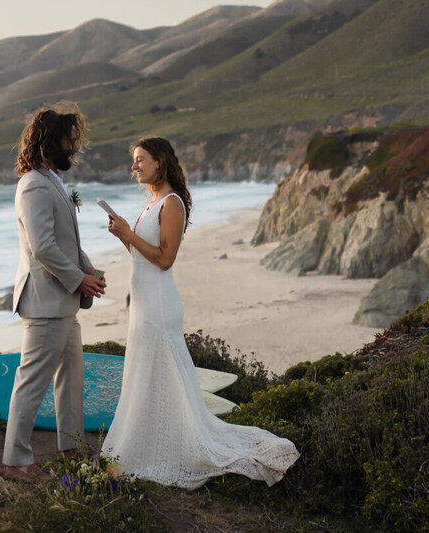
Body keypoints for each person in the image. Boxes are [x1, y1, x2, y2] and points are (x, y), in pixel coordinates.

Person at [102, 137, 299, 489]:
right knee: (146, 372)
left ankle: (173, 444)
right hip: (144, 303)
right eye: (134, 160)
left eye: (140, 159)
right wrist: (124, 235)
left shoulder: (171, 203)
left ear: (160, 161)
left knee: (165, 372)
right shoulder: (150, 204)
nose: (134, 166)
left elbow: (164, 259)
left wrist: (129, 233)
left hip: (160, 304)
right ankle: (149, 438)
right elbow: (140, 254)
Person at [2, 103, 107, 483]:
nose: (75, 146)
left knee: (71, 377)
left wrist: (89, 270)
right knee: (31, 381)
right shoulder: (32, 185)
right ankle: (15, 460)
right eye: (71, 139)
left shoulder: (53, 182)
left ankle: (72, 447)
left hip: (62, 302)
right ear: (52, 142)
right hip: (46, 302)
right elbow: (43, 246)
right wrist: (79, 280)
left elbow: (68, 241)